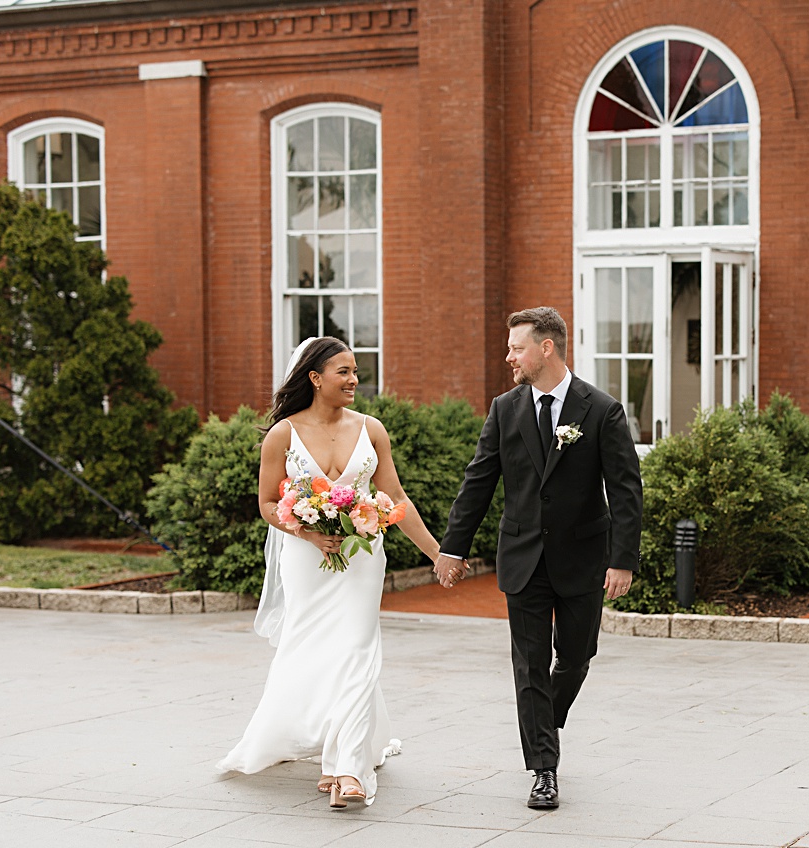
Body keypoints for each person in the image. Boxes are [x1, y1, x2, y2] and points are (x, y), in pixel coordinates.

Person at [217, 336, 445, 809]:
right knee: (313, 649)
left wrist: (438, 554)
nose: (354, 381)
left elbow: (397, 501)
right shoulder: (283, 434)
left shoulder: (372, 429)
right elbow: (265, 504)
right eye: (344, 372)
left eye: (356, 371)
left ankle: (348, 768)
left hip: (362, 558)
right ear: (315, 378)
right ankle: (327, 745)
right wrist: (308, 533)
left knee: (358, 649)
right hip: (305, 559)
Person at [436, 307, 643, 810]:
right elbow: (479, 481)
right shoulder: (504, 409)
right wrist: (452, 548)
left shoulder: (601, 410)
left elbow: (625, 489)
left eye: (516, 348)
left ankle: (543, 718)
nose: (509, 357)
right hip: (522, 558)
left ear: (545, 348)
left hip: (582, 559)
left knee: (575, 658)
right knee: (529, 666)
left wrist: (623, 559)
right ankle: (544, 770)